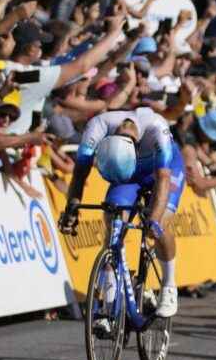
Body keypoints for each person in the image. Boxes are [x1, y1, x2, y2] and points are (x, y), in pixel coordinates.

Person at [58, 107, 186, 321]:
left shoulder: (156, 126)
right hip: (127, 174)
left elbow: (163, 179)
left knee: (160, 223)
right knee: (114, 220)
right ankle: (110, 304)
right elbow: (80, 173)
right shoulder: (97, 127)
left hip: (164, 168)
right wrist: (72, 207)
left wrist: (153, 219)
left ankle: (169, 286)